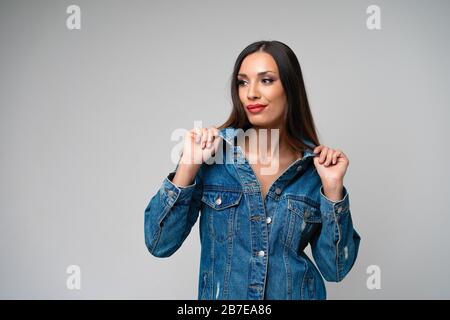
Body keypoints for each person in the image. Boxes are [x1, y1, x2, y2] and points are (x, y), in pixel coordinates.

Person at [144, 40, 361, 300]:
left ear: (290, 89)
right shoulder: (212, 155)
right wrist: (188, 166)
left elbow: (336, 269)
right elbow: (159, 243)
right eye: (243, 82)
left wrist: (334, 191)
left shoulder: (315, 168)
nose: (251, 93)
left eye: (266, 80)